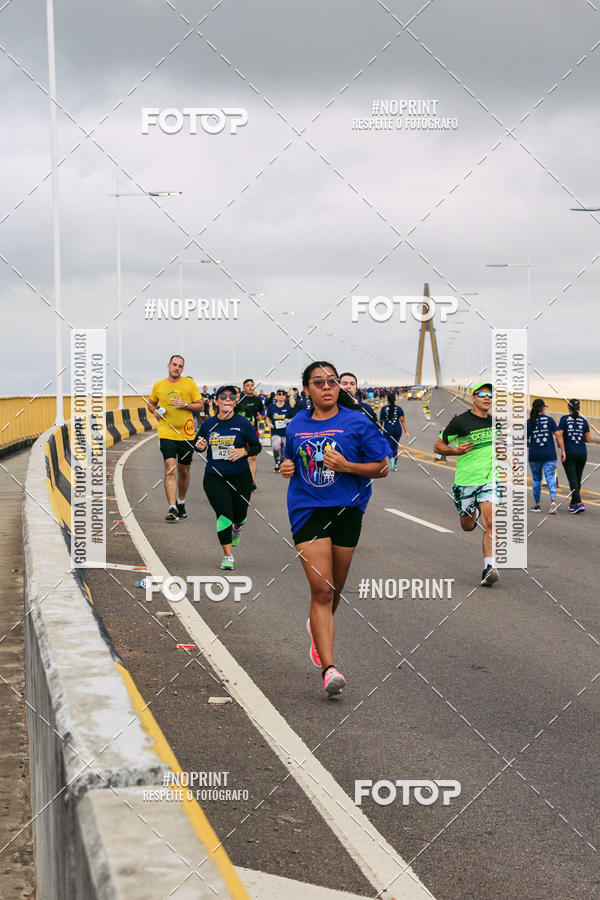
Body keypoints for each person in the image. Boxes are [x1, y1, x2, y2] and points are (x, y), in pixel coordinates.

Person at [281, 362, 389, 696]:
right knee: (323, 589)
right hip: (307, 510)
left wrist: (347, 466)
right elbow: (291, 459)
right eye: (319, 383)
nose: (327, 387)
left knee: (335, 591)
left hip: (347, 509)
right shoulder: (296, 425)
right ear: (307, 390)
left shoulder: (357, 422)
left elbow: (382, 468)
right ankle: (329, 670)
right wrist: (286, 466)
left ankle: (317, 626)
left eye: (331, 382)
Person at [433, 381, 500, 587]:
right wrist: (455, 451)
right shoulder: (460, 422)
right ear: (473, 398)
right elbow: (438, 445)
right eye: (482, 394)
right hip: (465, 482)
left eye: (490, 395)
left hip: (489, 480)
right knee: (467, 525)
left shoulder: (495, 423)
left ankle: (489, 568)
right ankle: (472, 514)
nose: (487, 398)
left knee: (491, 523)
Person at [195, 385, 262, 569]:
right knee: (224, 514)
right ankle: (228, 556)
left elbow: (257, 446)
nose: (227, 399)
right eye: (222, 396)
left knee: (239, 516)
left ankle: (238, 528)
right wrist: (199, 445)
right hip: (214, 477)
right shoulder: (208, 424)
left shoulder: (242, 423)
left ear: (235, 401)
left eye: (231, 396)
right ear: (216, 401)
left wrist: (244, 451)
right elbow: (199, 442)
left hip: (240, 477)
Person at [148, 355, 204, 521]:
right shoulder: (159, 385)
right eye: (174, 365)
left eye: (180, 366)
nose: (176, 368)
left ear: (182, 369)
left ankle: (181, 501)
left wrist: (185, 405)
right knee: (170, 468)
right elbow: (151, 403)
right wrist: (154, 411)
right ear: (168, 365)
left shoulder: (189, 384)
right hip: (167, 432)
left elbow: (200, 405)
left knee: (184, 471)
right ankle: (172, 507)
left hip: (186, 434)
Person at [527, 399, 564, 514]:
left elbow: (525, 440)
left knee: (536, 479)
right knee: (550, 478)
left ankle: (537, 505)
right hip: (549, 453)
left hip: (535, 454)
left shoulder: (529, 422)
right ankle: (553, 500)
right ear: (542, 408)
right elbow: (558, 435)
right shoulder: (549, 420)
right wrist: (563, 450)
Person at [556, 399, 590, 513]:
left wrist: (562, 449)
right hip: (582, 453)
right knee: (577, 479)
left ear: (568, 408)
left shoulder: (564, 419)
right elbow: (588, 439)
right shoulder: (584, 420)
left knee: (572, 479)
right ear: (579, 408)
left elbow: (559, 435)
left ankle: (579, 503)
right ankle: (573, 503)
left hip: (569, 453)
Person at [235, 378, 264, 490]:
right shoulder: (239, 399)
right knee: (239, 456)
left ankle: (250, 482)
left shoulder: (257, 400)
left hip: (253, 431)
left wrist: (260, 417)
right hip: (239, 432)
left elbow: (260, 412)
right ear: (244, 388)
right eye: (248, 385)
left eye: (252, 385)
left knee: (253, 458)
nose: (250, 387)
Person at [266, 389, 295, 471]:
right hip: (275, 432)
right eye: (279, 394)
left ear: (285, 397)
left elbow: (293, 418)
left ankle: (280, 463)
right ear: (276, 396)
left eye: (283, 394)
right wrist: (269, 423)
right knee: (276, 446)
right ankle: (277, 462)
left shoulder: (288, 407)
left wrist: (288, 420)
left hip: (285, 432)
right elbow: (268, 417)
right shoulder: (271, 407)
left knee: (284, 449)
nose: (281, 396)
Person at [379, 392, 409, 470]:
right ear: (395, 400)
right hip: (397, 430)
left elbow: (381, 421)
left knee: (388, 446)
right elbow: (402, 421)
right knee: (395, 447)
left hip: (387, 430)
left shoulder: (383, 409)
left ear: (387, 400)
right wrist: (406, 432)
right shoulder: (399, 409)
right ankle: (394, 465)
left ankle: (391, 458)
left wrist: (379, 430)